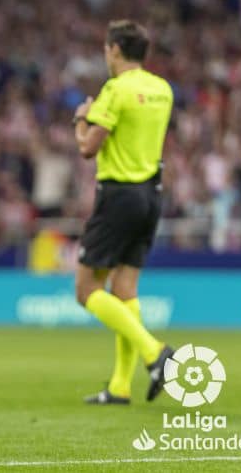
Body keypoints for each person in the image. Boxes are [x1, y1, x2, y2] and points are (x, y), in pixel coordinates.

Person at [72, 20, 174, 405]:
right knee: (125, 290)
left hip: (118, 194)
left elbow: (87, 148)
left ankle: (155, 354)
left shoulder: (115, 90)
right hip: (152, 195)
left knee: (86, 290)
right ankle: (119, 387)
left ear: (114, 49)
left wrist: (82, 118)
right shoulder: (162, 89)